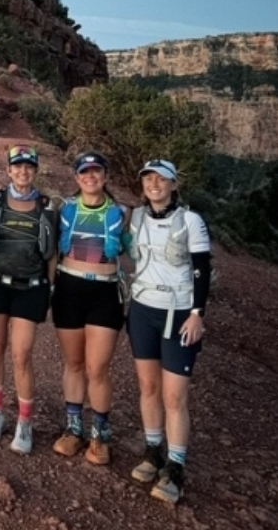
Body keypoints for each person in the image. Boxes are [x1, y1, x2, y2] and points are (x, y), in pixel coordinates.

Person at [125, 159, 212, 504]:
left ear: (174, 185)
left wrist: (197, 314)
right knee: (148, 387)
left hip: (178, 314)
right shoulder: (136, 217)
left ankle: (175, 467)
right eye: (148, 178)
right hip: (143, 309)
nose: (154, 184)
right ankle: (152, 451)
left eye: (162, 179)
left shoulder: (191, 221)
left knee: (174, 396)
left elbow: (202, 270)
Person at [0, 145, 58, 455]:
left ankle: (25, 422)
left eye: (29, 167)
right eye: (17, 166)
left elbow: (53, 253)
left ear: (35, 171)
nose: (23, 171)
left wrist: (50, 288)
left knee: (22, 354)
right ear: (9, 170)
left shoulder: (48, 207)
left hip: (32, 285)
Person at [51, 151, 127, 466]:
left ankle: (100, 433)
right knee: (73, 363)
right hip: (68, 288)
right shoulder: (65, 209)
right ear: (77, 178)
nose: (91, 177)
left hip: (105, 293)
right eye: (85, 172)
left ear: (105, 176)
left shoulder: (122, 213)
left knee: (97, 368)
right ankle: (73, 429)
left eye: (96, 172)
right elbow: (51, 249)